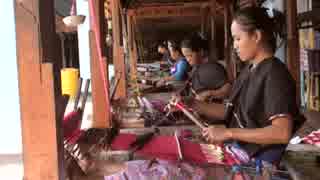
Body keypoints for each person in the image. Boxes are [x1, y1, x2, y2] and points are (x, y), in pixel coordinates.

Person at [183, 7, 305, 170]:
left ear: (256, 36)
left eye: (237, 38)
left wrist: (228, 133)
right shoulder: (250, 69)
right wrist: (191, 104)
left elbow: (281, 132)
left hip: (260, 161)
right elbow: (230, 110)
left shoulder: (275, 74)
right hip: (243, 151)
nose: (234, 45)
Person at [181, 34, 231, 102]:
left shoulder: (212, 68)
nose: (187, 59)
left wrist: (210, 93)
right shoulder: (197, 66)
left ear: (201, 52)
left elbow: (229, 89)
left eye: (189, 55)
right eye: (185, 56)